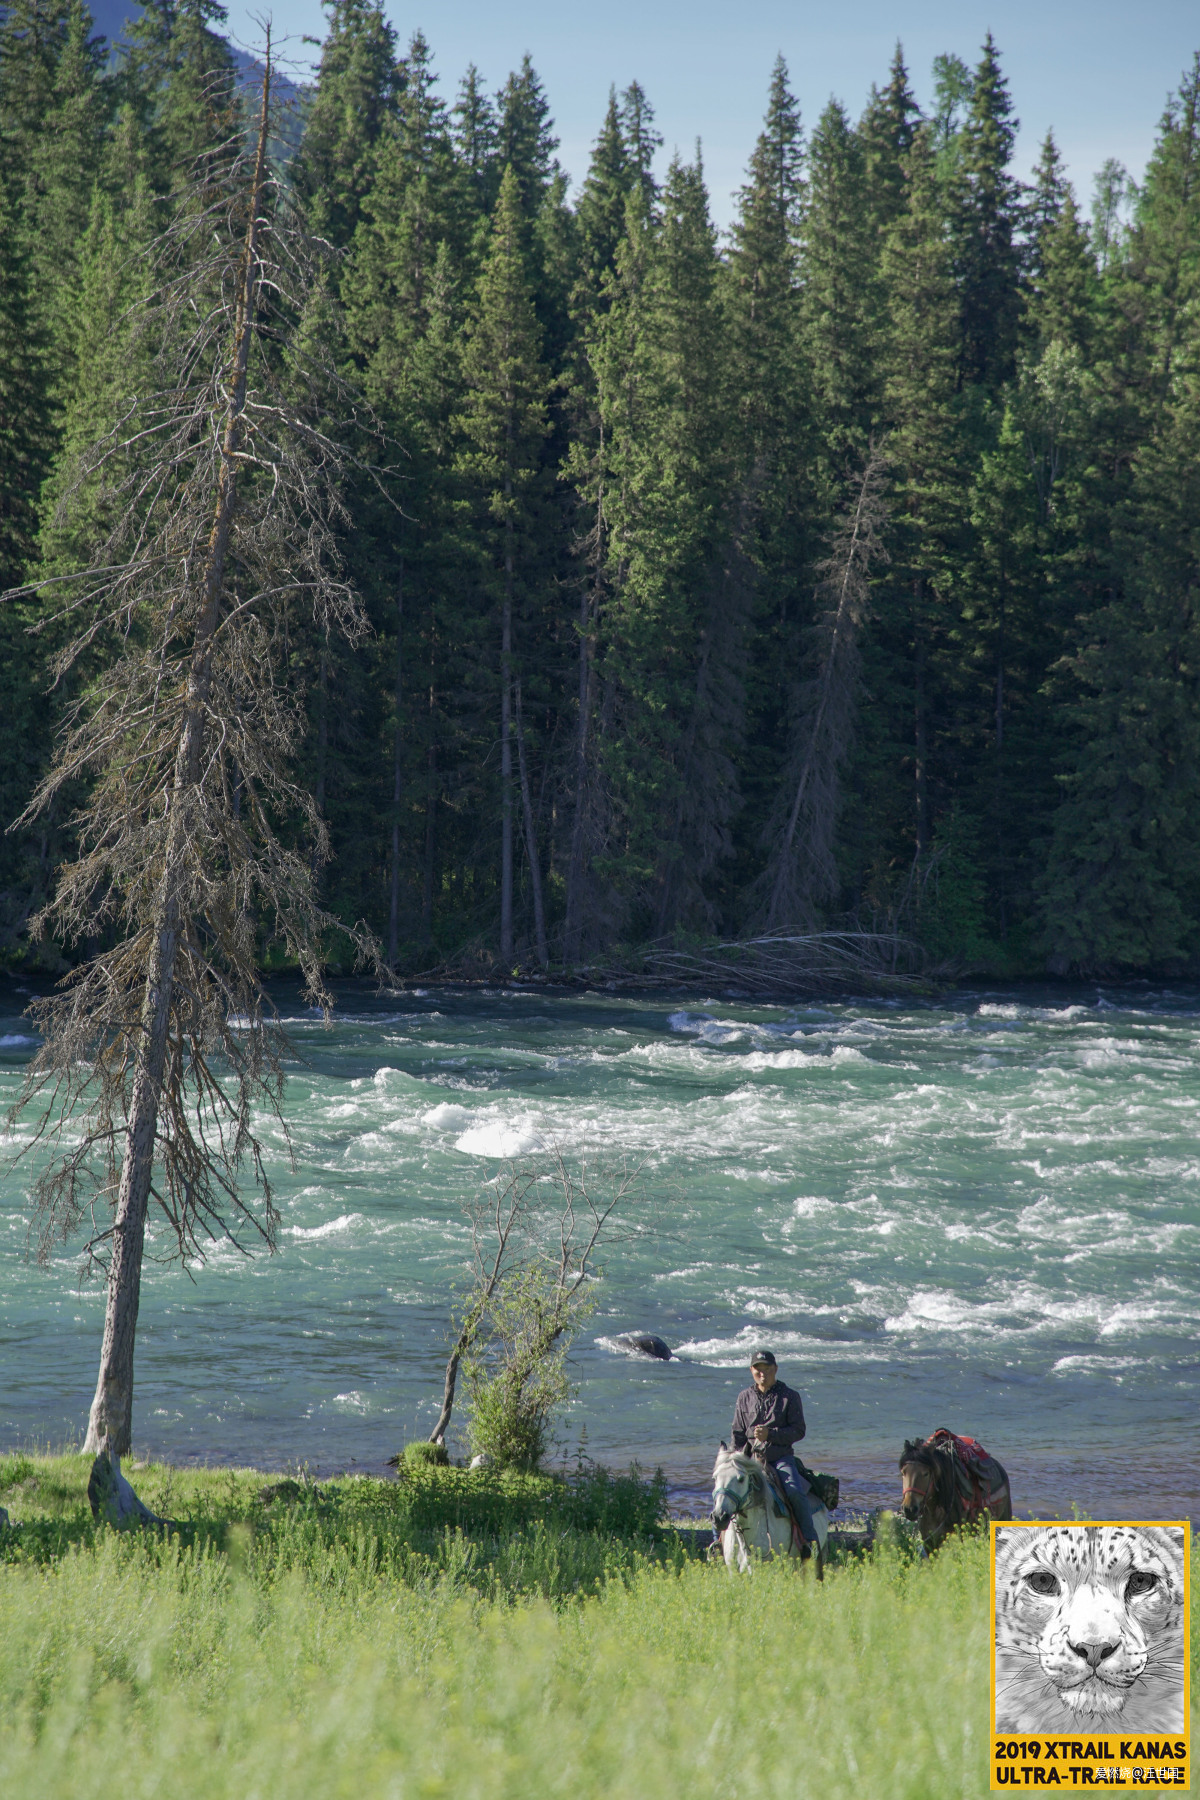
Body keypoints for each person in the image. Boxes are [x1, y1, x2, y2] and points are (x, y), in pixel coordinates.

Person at [730, 1348, 818, 1547]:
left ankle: (808, 1540)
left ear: (775, 1369)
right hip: (751, 1459)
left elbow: (799, 1431)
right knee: (726, 1489)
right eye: (757, 1369)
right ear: (751, 1370)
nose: (762, 1373)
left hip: (780, 1458)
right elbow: (737, 1433)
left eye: (767, 1368)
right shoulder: (744, 1397)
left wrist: (771, 1435)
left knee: (795, 1491)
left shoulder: (790, 1396)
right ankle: (718, 1541)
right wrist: (736, 1460)